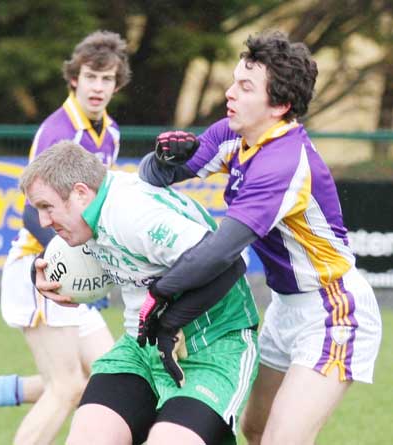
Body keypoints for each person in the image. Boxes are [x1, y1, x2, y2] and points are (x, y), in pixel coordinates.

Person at [139, 31, 382, 445]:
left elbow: (221, 249)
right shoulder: (233, 133)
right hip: (286, 308)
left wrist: (160, 293)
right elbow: (155, 176)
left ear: (280, 105)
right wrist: (161, 158)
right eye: (234, 81)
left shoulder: (284, 162)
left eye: (245, 87)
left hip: (333, 311)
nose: (230, 93)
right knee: (252, 429)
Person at [0, 30, 131, 445]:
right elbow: (32, 209)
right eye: (91, 77)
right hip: (41, 268)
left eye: (107, 79)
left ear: (117, 83)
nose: (98, 87)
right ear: (74, 79)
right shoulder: (57, 132)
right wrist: (72, 258)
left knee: (112, 378)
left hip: (72, 266)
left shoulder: (112, 134)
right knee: (67, 387)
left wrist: (93, 262)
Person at [23, 140, 259, 445]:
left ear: (81, 192)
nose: (42, 221)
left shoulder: (132, 216)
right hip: (142, 345)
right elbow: (71, 255)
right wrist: (41, 271)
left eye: (46, 207)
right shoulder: (93, 207)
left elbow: (226, 265)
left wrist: (171, 322)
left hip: (212, 346)